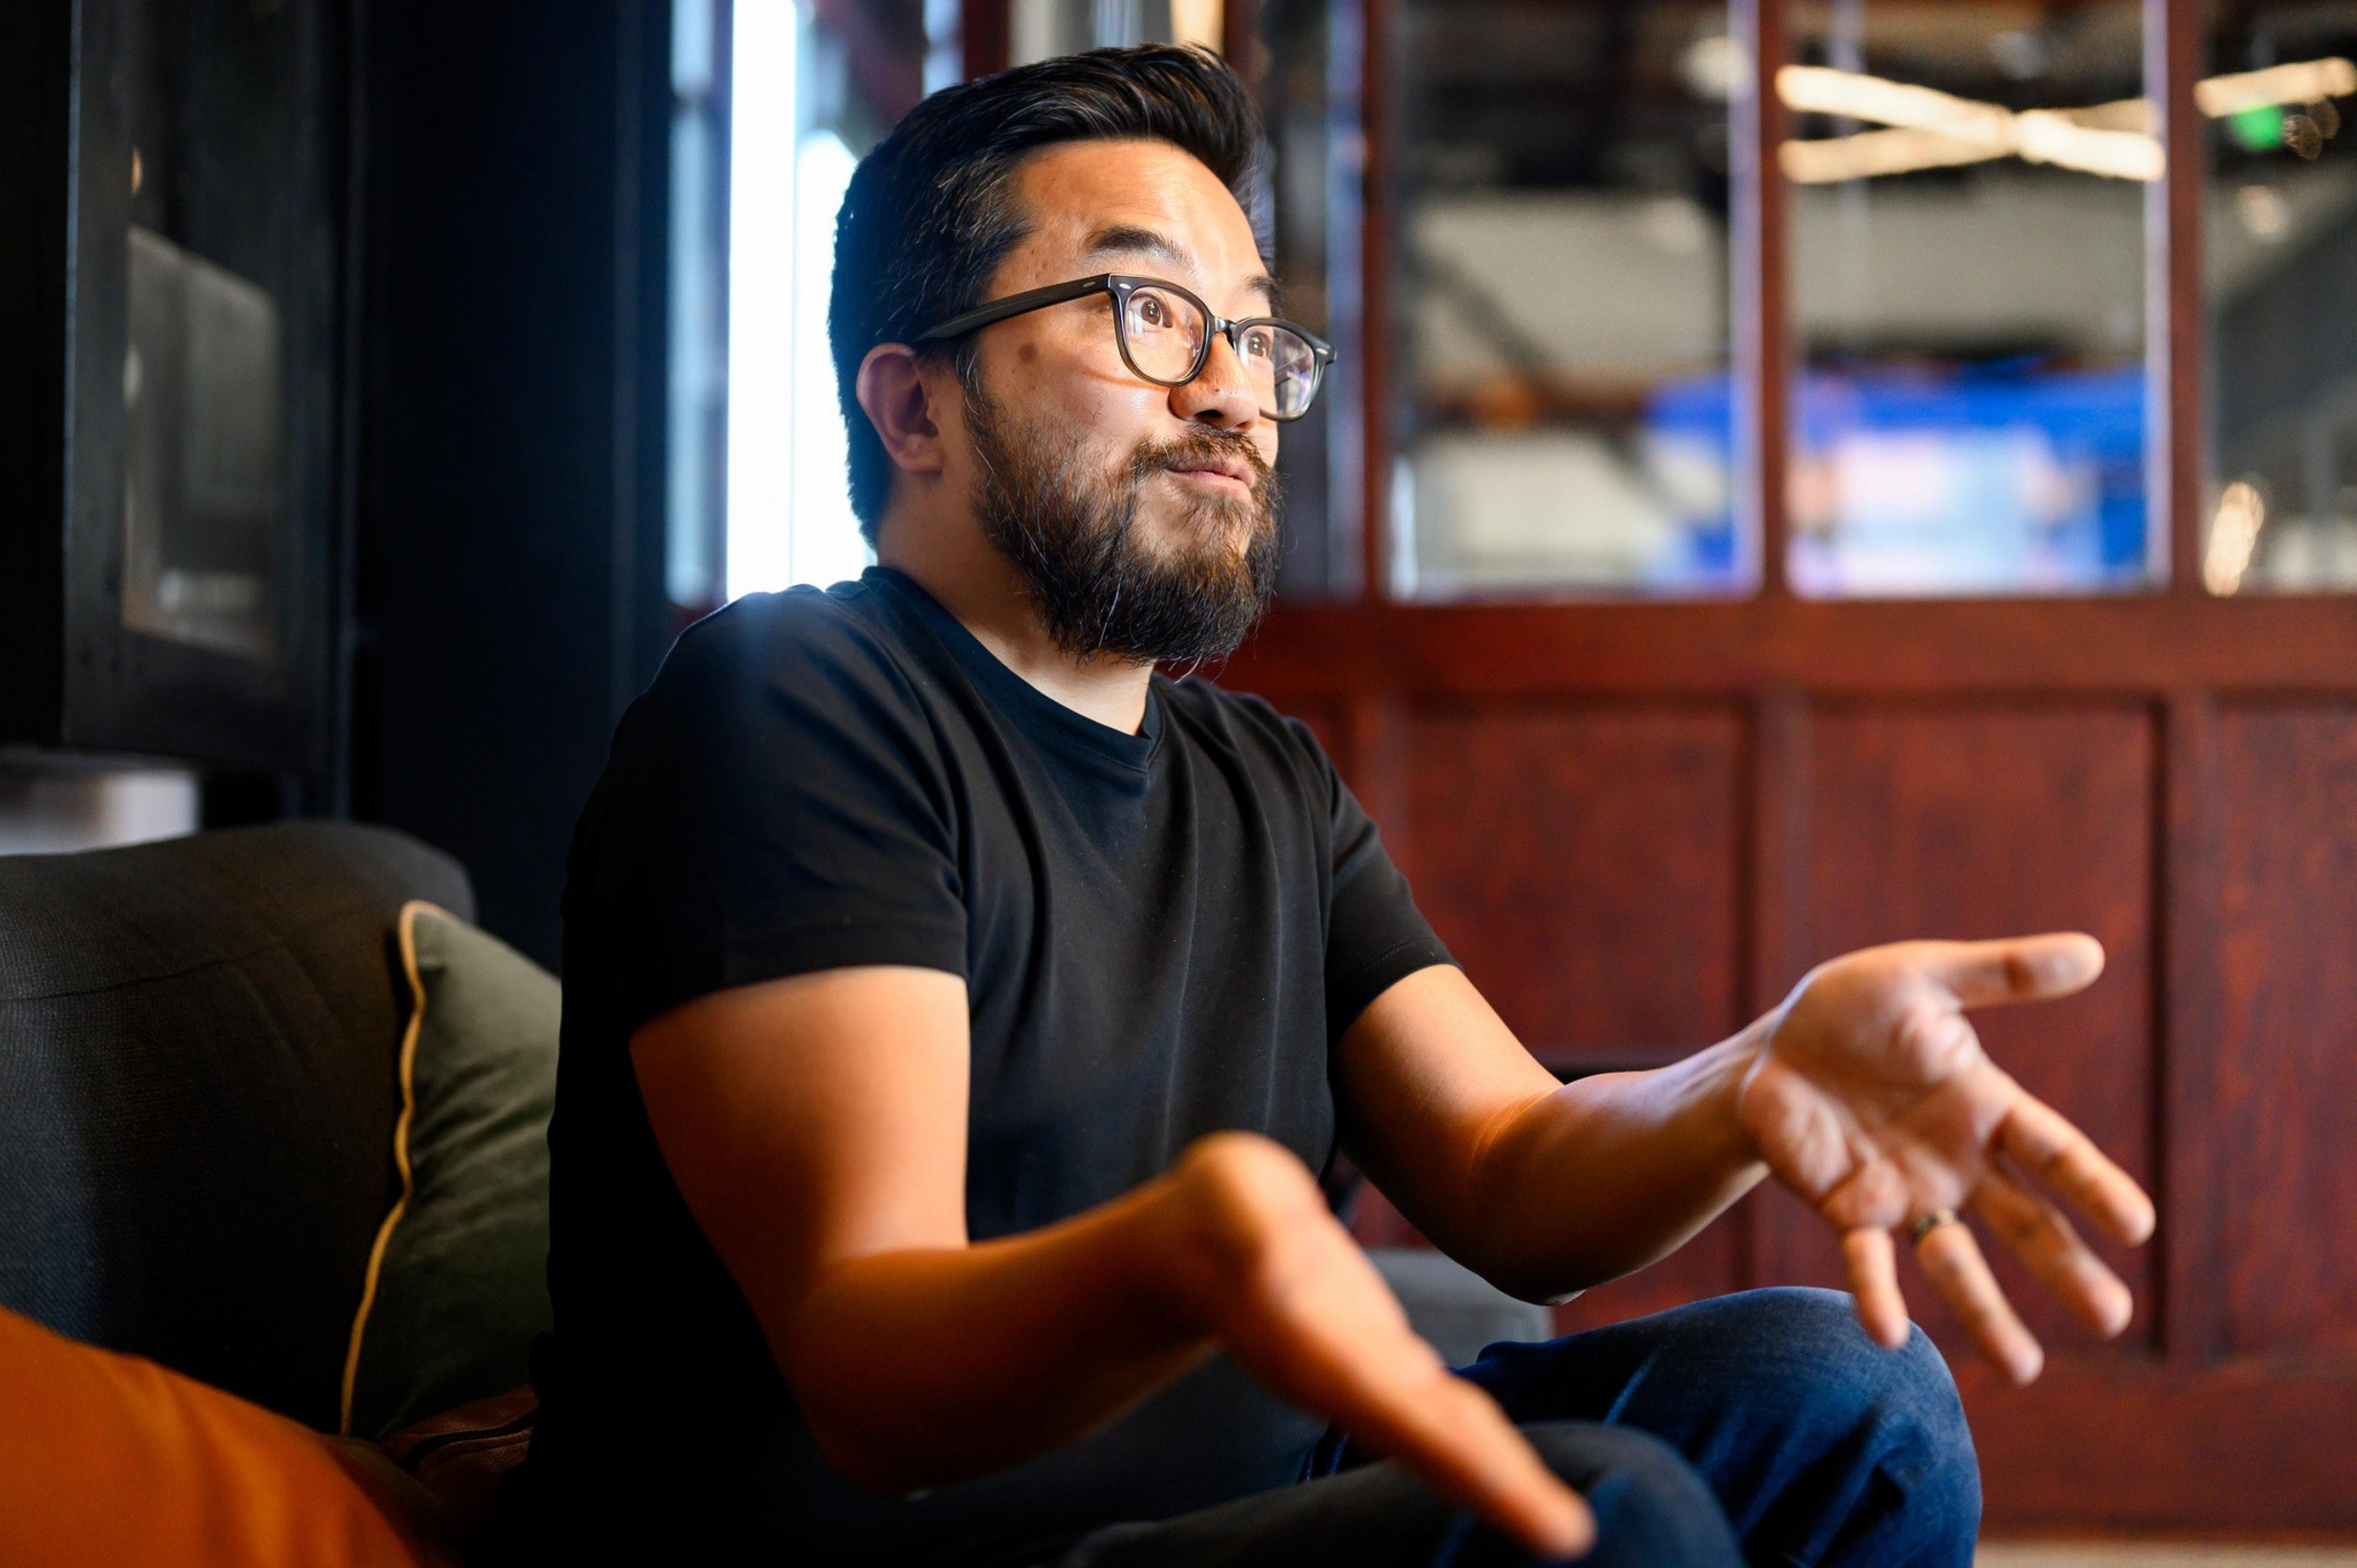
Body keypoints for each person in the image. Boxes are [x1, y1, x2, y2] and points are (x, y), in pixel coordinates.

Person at [520, 43, 2155, 1567]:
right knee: (1612, 1514)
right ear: (915, 407)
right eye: (1145, 314)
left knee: (1853, 1400)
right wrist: (1182, 1256)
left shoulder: (1264, 781)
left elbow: (1514, 1176)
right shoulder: (794, 703)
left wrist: (1760, 1071)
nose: (1232, 392)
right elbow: (868, 1375)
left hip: (1248, 1504)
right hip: (953, 1553)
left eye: (1249, 334)